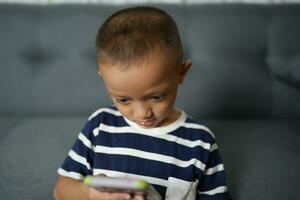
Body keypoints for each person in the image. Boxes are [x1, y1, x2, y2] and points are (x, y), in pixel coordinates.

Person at [53, 6, 231, 200]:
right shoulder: (100, 125)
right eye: (124, 100)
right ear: (104, 78)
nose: (142, 113)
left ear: (181, 73)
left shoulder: (200, 141)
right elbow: (61, 190)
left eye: (156, 97)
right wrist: (92, 195)